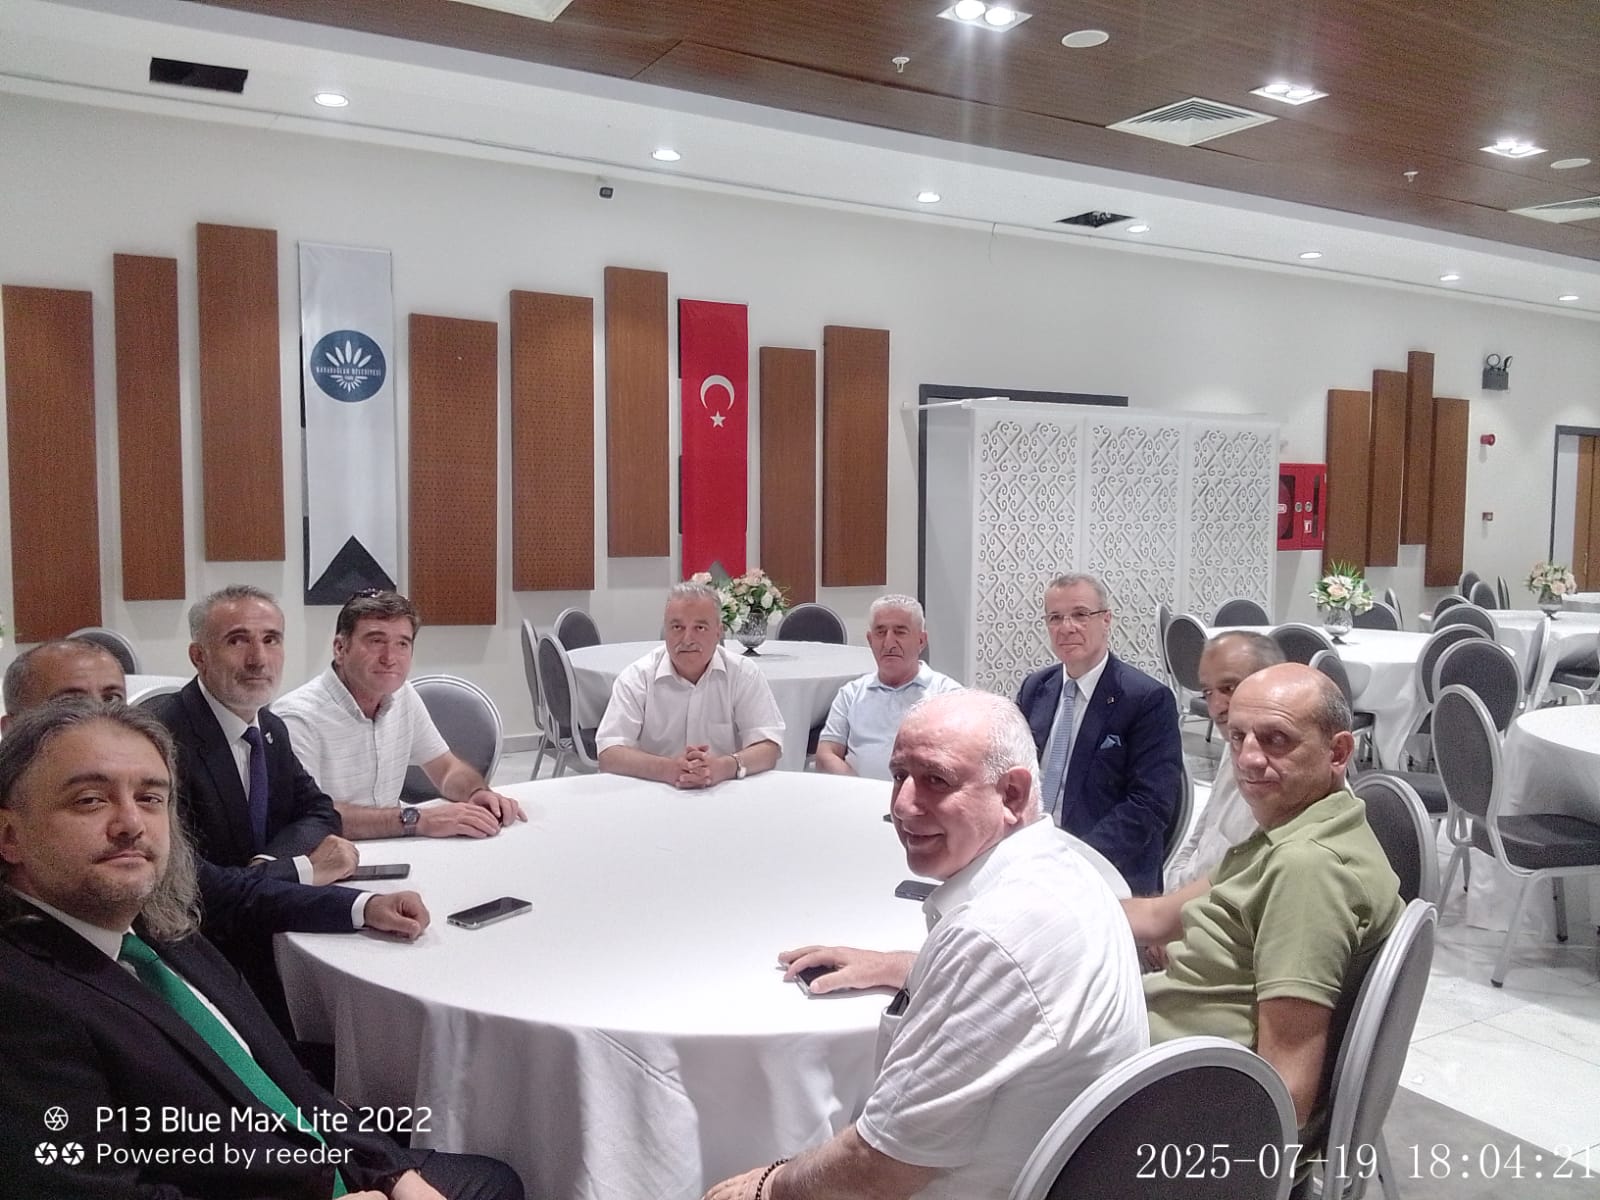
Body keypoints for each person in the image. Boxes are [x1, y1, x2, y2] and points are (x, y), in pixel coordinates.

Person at [0, 699, 525, 1200]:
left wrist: (390, 1170)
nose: (131, 824)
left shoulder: (157, 926)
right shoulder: (22, 1002)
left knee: (493, 1175)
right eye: (90, 800)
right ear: (9, 836)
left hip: (315, 1159)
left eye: (150, 798)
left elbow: (284, 1079)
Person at [706, 691, 1147, 1200]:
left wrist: (767, 1185)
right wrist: (903, 966)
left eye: (936, 780)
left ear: (1012, 795)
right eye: (899, 775)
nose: (902, 805)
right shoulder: (1070, 872)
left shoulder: (988, 938)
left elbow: (880, 1166)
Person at [1128, 663, 1403, 1140]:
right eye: (1238, 737)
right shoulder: (1299, 825)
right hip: (1163, 1058)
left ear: (1338, 752)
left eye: (1276, 740)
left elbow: (1286, 1096)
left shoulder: (1307, 869)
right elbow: (1156, 917)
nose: (1249, 759)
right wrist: (1061, 913)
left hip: (1172, 1101)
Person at [2, 638, 429, 942]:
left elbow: (215, 884)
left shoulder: (267, 728)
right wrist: (306, 870)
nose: (131, 823)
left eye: (113, 699)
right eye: (88, 802)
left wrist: (363, 907)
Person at [146, 585, 355, 885]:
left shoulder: (271, 729)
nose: (258, 659)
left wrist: (267, 863)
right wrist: (301, 872)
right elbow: (183, 876)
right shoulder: (162, 738)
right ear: (199, 657)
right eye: (237, 640)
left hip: (265, 902)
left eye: (271, 640)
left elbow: (320, 812)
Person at [276, 589, 525, 839]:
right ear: (340, 648)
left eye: (402, 644)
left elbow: (446, 769)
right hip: (330, 852)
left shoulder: (402, 696)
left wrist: (476, 792)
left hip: (394, 844)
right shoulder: (296, 719)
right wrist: (416, 820)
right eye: (376, 641)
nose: (390, 658)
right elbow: (307, 815)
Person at [1015, 572, 1181, 895]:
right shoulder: (1036, 688)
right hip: (1032, 855)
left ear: (1106, 620)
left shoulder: (1146, 699)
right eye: (1055, 617)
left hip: (1104, 867)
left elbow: (1149, 805)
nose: (1066, 627)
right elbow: (1013, 772)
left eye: (1080, 614)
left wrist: (1071, 860)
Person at [597, 581, 784, 788]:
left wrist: (723, 767)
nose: (687, 639)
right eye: (677, 627)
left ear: (718, 632)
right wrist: (667, 769)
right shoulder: (637, 677)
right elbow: (608, 753)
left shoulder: (743, 674)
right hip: (655, 792)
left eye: (700, 628)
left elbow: (769, 747)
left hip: (726, 791)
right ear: (665, 631)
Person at [1162, 631, 1285, 891]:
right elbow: (1200, 835)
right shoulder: (1234, 747)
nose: (1216, 706)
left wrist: (1167, 906)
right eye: (1208, 692)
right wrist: (1173, 882)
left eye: (1229, 688)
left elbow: (1238, 887)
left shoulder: (1282, 777)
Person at [813, 594, 960, 781]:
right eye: (880, 633)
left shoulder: (948, 695)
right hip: (856, 793)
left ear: (921, 641)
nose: (889, 643)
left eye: (900, 632)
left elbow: (962, 761)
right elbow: (826, 755)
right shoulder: (851, 694)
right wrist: (860, 789)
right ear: (870, 640)